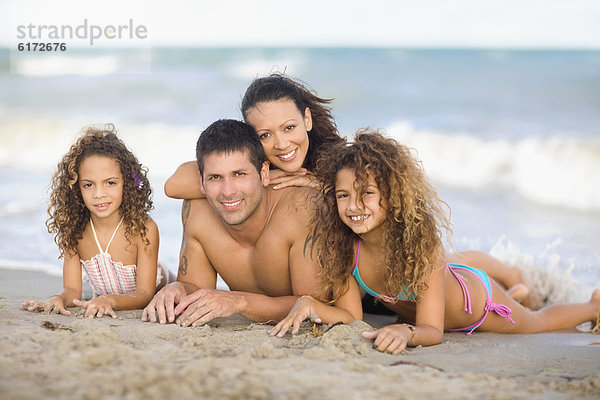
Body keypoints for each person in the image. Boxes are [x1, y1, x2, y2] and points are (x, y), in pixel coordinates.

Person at [270, 130, 600, 355]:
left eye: (367, 193)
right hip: (439, 296)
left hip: (477, 305)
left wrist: (407, 333)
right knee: (455, 277)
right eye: (343, 195)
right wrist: (313, 306)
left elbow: (432, 330)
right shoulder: (346, 249)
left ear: (393, 195)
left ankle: (591, 306)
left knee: (535, 323)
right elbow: (353, 317)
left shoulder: (419, 247)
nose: (354, 206)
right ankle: (518, 291)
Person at [141, 119, 322, 326]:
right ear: (201, 181)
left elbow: (315, 304)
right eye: (216, 177)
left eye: (239, 174)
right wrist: (178, 289)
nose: (228, 192)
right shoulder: (199, 212)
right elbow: (197, 287)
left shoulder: (300, 208)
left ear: (264, 173)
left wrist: (239, 302)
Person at [21, 125, 168, 318]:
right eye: (88, 185)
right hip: (104, 298)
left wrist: (108, 300)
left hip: (162, 286)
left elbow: (145, 294)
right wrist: (58, 298)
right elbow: (73, 291)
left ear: (128, 184)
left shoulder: (144, 228)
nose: (99, 194)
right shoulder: (75, 231)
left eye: (111, 183)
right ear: (76, 188)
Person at [163, 73, 344, 198]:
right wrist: (257, 179)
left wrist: (323, 185)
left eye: (289, 128)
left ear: (307, 119)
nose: (281, 144)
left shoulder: (338, 160)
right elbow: (174, 186)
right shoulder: (251, 163)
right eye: (265, 135)